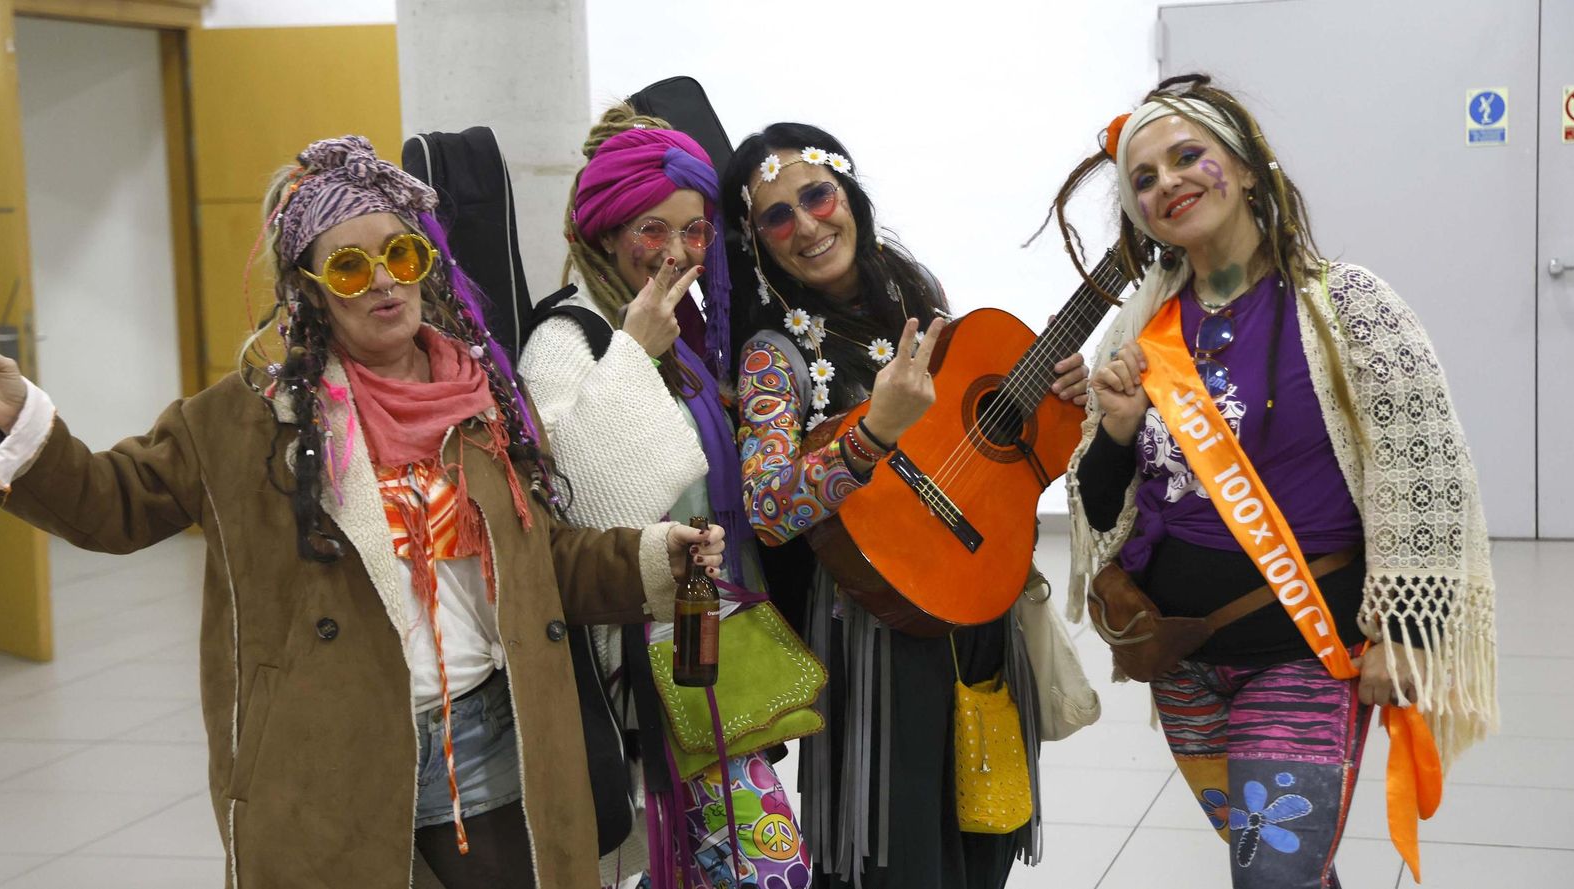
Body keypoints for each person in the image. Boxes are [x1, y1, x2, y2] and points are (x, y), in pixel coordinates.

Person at [0, 135, 728, 889]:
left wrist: (648, 556)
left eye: (400, 255)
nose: (383, 282)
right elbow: (111, 505)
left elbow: (542, 557)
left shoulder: (483, 398)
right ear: (307, 288)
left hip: (494, 746)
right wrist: (19, 418)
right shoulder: (240, 424)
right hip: (328, 757)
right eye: (349, 266)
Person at [1048, 74, 1498, 888]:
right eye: (1143, 179)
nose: (1167, 185)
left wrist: (1405, 630)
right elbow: (1098, 508)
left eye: (1189, 157)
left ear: (1249, 167)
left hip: (1305, 655)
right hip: (1181, 660)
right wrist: (1114, 429)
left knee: (1273, 875)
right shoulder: (1139, 330)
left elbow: (1422, 472)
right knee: (1285, 868)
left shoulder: (1349, 305)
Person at [718, 123, 1089, 889]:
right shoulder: (771, 354)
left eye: (816, 195)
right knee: (902, 860)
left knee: (986, 837)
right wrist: (869, 438)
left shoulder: (919, 300)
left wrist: (1056, 401)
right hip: (878, 638)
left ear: (848, 193)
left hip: (979, 606)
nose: (808, 225)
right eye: (776, 216)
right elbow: (767, 507)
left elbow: (978, 448)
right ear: (756, 244)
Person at [519, 104, 810, 888]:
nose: (677, 251)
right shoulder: (564, 339)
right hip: (643, 660)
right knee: (767, 867)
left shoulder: (680, 336)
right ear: (608, 233)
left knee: (709, 867)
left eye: (695, 230)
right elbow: (578, 501)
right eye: (654, 229)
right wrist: (632, 357)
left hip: (707, 643)